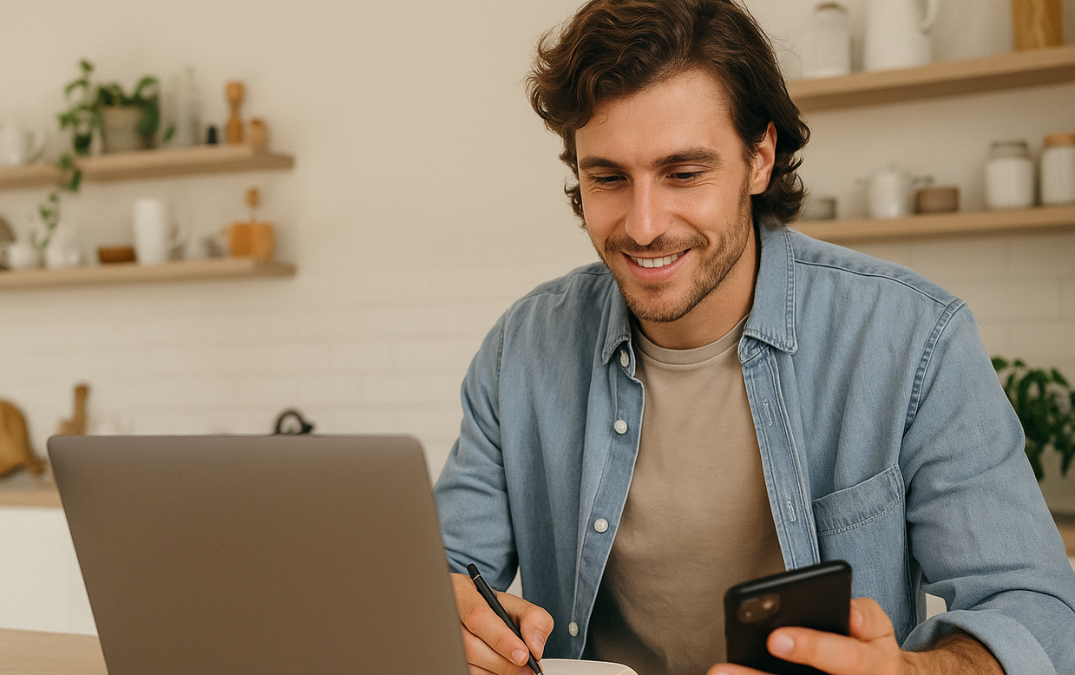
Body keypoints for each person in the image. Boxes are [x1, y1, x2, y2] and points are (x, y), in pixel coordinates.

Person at [432, 1, 1075, 674]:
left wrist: (912, 672)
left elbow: (1040, 610)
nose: (644, 224)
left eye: (684, 173)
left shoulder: (914, 339)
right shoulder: (520, 352)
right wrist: (448, 616)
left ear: (759, 157)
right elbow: (443, 578)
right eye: (608, 177)